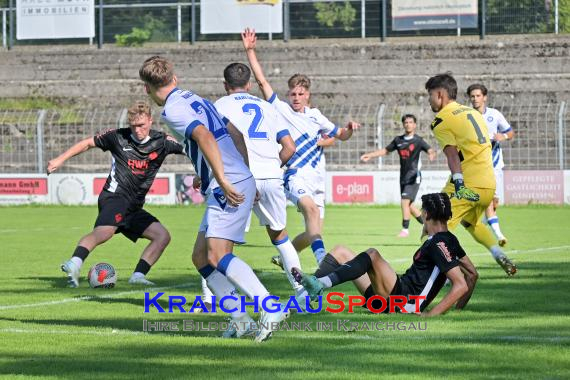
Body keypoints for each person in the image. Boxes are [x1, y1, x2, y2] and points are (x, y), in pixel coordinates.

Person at [139, 56, 286, 342]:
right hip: (232, 179)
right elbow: (235, 133)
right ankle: (240, 318)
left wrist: (222, 178)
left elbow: (204, 136)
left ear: (147, 88)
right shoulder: (195, 98)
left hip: (226, 185)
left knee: (218, 255)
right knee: (200, 257)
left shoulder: (172, 110)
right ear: (175, 78)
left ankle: (271, 307)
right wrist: (236, 172)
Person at [242, 28, 360, 267]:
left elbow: (341, 136)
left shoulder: (316, 116)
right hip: (295, 177)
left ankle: (283, 258)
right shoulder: (282, 109)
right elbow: (262, 82)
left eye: (300, 93)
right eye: (293, 93)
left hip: (317, 181)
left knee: (312, 232)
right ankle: (323, 263)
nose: (296, 97)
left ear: (308, 95)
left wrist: (349, 129)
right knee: (311, 213)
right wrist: (251, 51)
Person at [48, 101, 184, 287]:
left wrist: (203, 173)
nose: (137, 130)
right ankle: (74, 263)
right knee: (104, 232)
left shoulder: (162, 142)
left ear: (151, 121)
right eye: (133, 126)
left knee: (162, 236)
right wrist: (60, 159)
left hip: (134, 207)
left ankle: (138, 276)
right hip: (115, 197)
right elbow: (88, 143)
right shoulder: (117, 136)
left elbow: (192, 151)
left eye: (141, 125)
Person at [293, 193, 479, 316]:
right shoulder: (447, 239)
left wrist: (431, 315)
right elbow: (472, 275)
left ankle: (319, 285)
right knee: (341, 252)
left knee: (373, 254)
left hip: (403, 302)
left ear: (426, 214)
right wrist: (457, 311)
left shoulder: (439, 242)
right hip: (394, 295)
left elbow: (461, 284)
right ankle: (307, 293)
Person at [213, 62, 308, 301]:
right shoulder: (267, 107)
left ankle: (213, 297)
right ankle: (302, 293)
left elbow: (216, 144)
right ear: (248, 84)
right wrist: (271, 168)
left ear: (225, 85)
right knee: (281, 237)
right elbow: (290, 147)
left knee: (219, 242)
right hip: (271, 177)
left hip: (239, 179)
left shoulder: (219, 106)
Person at [424, 73, 516, 276]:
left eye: (430, 95)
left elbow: (452, 155)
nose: (429, 100)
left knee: (432, 224)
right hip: (488, 183)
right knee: (471, 223)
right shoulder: (473, 113)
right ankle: (497, 252)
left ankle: (444, 277)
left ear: (440, 94)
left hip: (467, 182)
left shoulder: (441, 120)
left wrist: (459, 183)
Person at [361, 114, 436, 237]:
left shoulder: (418, 140)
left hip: (414, 176)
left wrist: (431, 154)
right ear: (403, 124)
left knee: (404, 201)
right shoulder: (398, 140)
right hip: (403, 177)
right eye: (406, 122)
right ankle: (428, 226)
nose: (408, 124)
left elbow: (430, 149)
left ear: (415, 125)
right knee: (410, 205)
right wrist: (370, 155)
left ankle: (405, 230)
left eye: (411, 122)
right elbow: (385, 151)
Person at [467, 83, 515, 246]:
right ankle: (500, 235)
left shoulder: (494, 115)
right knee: (488, 201)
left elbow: (510, 132)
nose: (475, 99)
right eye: (472, 96)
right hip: (478, 166)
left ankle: (489, 220)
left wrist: (503, 137)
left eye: (478, 96)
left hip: (495, 164)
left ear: (485, 97)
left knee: (494, 202)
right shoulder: (466, 116)